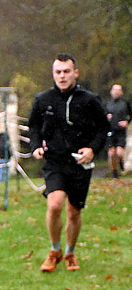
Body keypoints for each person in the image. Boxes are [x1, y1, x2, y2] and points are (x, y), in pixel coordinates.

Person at [28, 53, 109, 272]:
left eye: (66, 71)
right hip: (55, 160)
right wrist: (35, 146)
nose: (62, 76)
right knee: (54, 205)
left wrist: (92, 149)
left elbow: (103, 128)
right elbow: (33, 126)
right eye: (58, 72)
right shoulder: (43, 99)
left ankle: (70, 253)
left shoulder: (89, 100)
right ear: (53, 74)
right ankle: (54, 251)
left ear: (75, 73)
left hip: (80, 162)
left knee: (74, 211)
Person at [105, 83, 131, 179]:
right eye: (114, 90)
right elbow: (102, 114)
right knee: (111, 153)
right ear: (111, 91)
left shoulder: (125, 102)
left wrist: (126, 122)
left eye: (118, 90)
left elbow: (130, 114)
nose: (116, 92)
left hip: (120, 131)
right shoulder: (107, 103)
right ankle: (114, 172)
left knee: (119, 153)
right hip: (110, 130)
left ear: (121, 92)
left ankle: (120, 163)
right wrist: (107, 116)